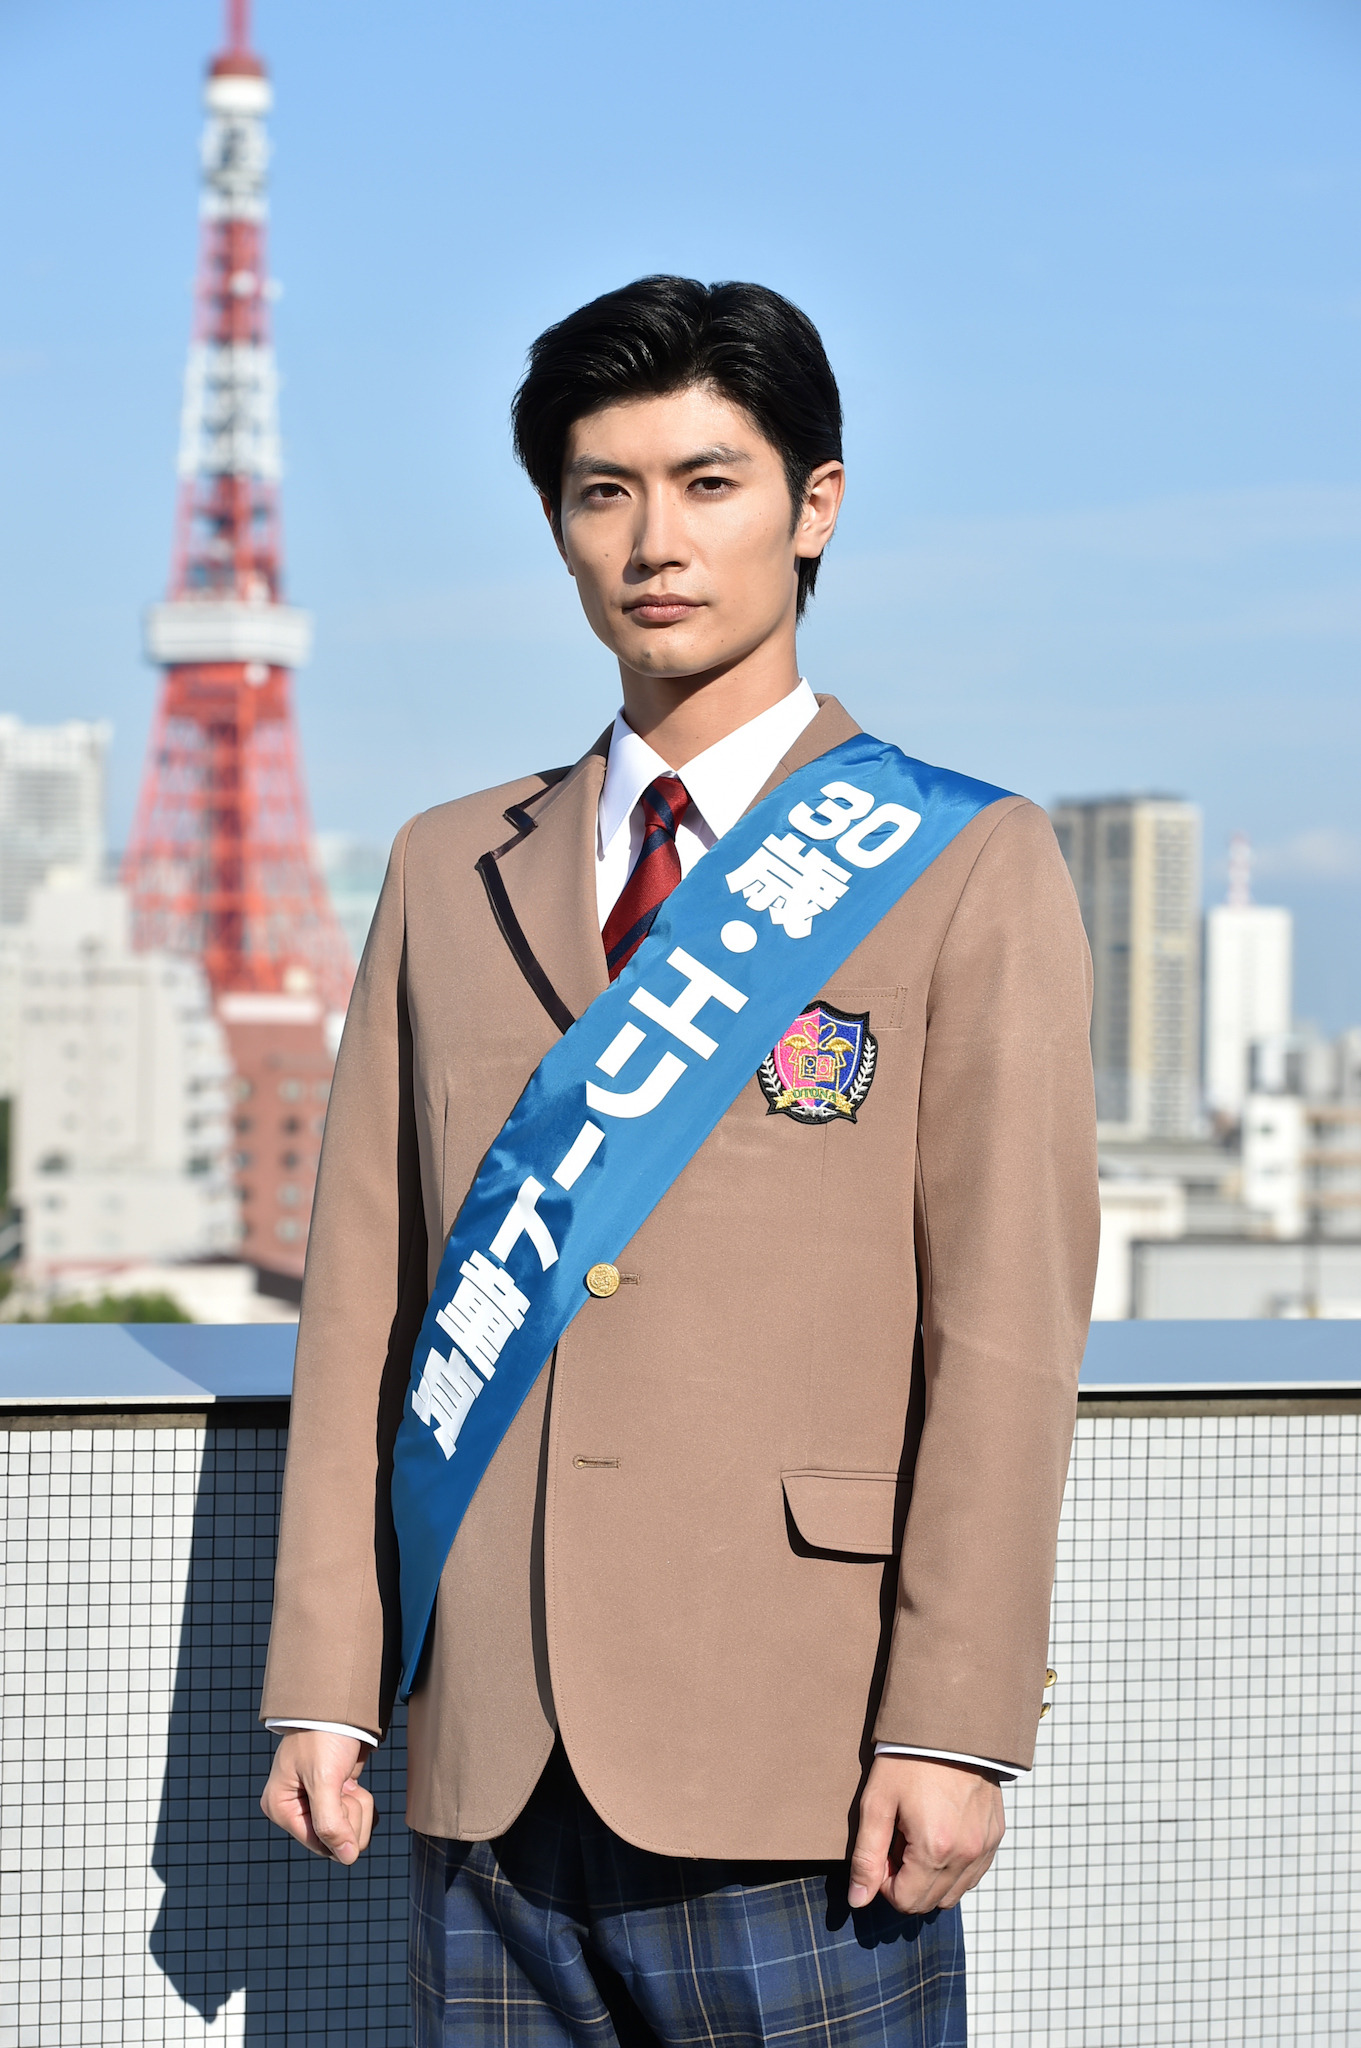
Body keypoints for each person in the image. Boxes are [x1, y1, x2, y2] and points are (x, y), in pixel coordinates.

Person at [259, 275, 1099, 2047]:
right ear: (556, 523)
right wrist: (324, 1685)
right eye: (603, 491)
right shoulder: (444, 868)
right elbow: (363, 1308)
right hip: (487, 1746)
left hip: (803, 1749)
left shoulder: (960, 861)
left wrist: (950, 1726)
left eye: (709, 483)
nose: (653, 540)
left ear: (814, 505)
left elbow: (1005, 1341)